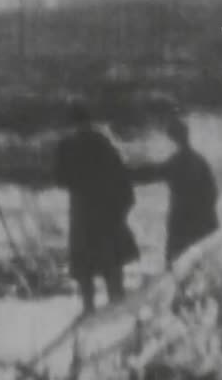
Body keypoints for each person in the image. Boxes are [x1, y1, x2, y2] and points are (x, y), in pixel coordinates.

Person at [53, 105, 139, 314]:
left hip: (84, 212)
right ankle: (117, 306)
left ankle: (89, 309)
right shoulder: (104, 145)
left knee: (85, 266)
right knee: (111, 264)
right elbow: (123, 179)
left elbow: (59, 178)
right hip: (107, 213)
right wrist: (123, 208)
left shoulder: (68, 147)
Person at [150, 116, 219, 266]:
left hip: (182, 222)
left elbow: (152, 174)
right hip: (203, 221)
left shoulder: (176, 161)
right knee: (200, 265)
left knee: (176, 262)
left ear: (172, 139)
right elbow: (213, 192)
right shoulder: (199, 161)